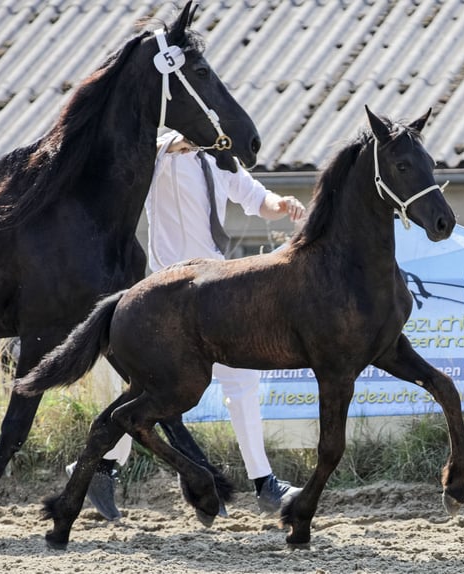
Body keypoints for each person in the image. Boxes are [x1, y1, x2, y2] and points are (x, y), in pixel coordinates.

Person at [67, 131, 306, 521]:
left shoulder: (221, 161)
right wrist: (170, 144)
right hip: (168, 293)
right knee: (149, 392)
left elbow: (256, 199)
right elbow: (139, 149)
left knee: (240, 381)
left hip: (215, 288)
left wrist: (284, 204)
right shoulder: (161, 158)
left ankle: (265, 484)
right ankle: (102, 467)